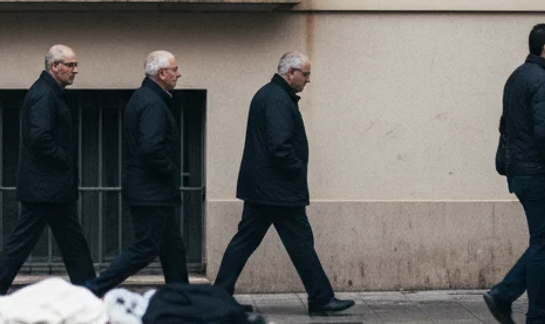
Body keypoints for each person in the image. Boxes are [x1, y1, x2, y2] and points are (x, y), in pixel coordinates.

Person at [213, 52, 354, 316]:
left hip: (264, 188)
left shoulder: (270, 95)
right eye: (306, 74)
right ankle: (321, 298)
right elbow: (279, 146)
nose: (308, 80)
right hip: (278, 189)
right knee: (300, 241)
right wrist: (296, 169)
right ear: (291, 73)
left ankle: (219, 297)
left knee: (246, 240)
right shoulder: (277, 99)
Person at [0, 45, 95, 310]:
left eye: (75, 65)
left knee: (72, 245)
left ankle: (91, 293)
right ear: (54, 66)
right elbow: (39, 137)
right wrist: (64, 159)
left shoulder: (50, 92)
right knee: (24, 246)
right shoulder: (44, 94)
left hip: (51, 188)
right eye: (70, 65)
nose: (75, 70)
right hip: (46, 189)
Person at [485, 23, 545, 324]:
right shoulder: (542, 82)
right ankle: (537, 315)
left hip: (521, 172)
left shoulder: (517, 77)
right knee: (544, 244)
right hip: (540, 175)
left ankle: (505, 293)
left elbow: (505, 125)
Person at [86, 50, 189, 296]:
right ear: (161, 73)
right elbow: (151, 148)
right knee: (145, 248)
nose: (178, 74)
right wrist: (170, 169)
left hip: (151, 190)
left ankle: (183, 299)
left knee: (173, 249)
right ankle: (93, 289)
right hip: (152, 191)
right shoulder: (153, 103)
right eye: (174, 69)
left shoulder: (145, 97)